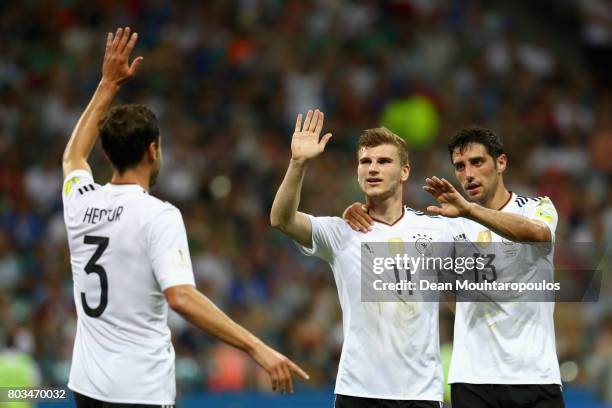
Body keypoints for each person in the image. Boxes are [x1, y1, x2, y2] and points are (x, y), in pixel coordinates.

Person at [62, 27, 307, 407]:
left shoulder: (80, 200)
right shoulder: (158, 215)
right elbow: (180, 297)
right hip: (140, 391)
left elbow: (73, 157)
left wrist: (107, 85)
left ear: (108, 154)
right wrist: (256, 347)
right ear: (153, 150)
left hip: (87, 389)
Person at [344, 126, 565, 408]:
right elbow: (397, 227)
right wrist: (360, 210)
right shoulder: (447, 225)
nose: (467, 174)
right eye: (459, 166)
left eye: (477, 162)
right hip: (471, 380)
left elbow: (537, 233)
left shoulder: (535, 207)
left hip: (536, 375)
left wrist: (470, 211)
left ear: (501, 163)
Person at [270, 110, 453, 408]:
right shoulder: (340, 232)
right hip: (359, 392)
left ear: (404, 171)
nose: (373, 169)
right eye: (365, 162)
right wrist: (298, 163)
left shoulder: (437, 230)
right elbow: (281, 219)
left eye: (384, 161)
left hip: (421, 395)